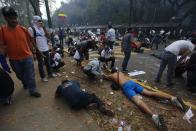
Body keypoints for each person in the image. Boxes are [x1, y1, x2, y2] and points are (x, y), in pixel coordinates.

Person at [104, 69, 188, 130]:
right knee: (149, 93)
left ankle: (154, 117)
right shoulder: (120, 72)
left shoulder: (112, 75)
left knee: (138, 101)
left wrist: (106, 74)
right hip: (132, 83)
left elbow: (106, 77)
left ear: (112, 72)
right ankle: (173, 98)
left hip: (127, 87)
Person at [0, 6, 41, 97]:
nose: (14, 20)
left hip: (27, 57)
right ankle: (24, 82)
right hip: (14, 59)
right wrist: (2, 60)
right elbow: (1, 45)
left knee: (30, 75)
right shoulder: (2, 31)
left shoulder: (23, 29)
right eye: (11, 19)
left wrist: (36, 52)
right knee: (19, 75)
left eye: (15, 18)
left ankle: (33, 90)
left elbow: (30, 41)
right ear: (6, 19)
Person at [28, 15, 57, 82]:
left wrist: (44, 28)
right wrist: (36, 51)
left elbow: (49, 37)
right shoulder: (31, 29)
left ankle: (50, 73)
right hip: (39, 49)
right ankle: (43, 77)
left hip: (46, 48)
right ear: (35, 21)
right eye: (39, 21)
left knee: (48, 62)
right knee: (40, 64)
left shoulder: (42, 28)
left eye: (41, 21)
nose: (40, 22)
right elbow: (32, 41)